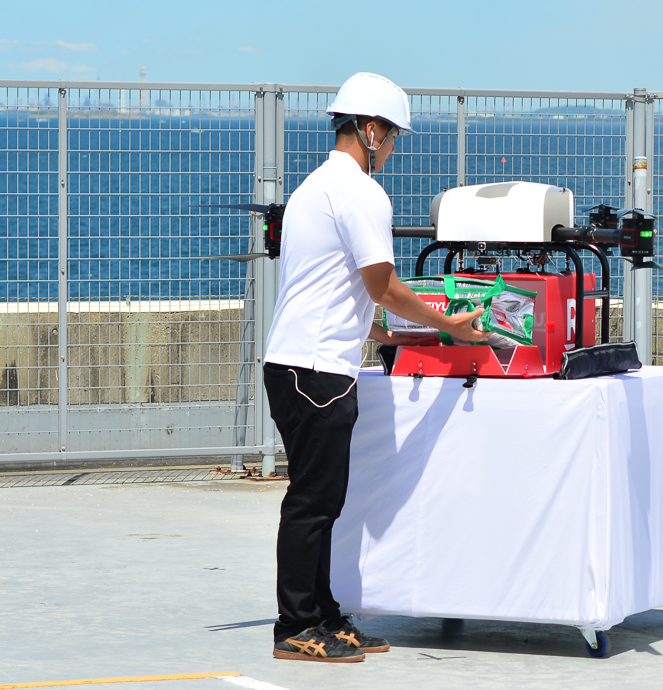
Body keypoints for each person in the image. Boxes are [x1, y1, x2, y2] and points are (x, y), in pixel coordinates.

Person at [263, 72, 487, 663]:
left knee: (323, 500)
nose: (391, 149)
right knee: (314, 502)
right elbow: (382, 285)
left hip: (296, 365)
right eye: (391, 137)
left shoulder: (313, 188)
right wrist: (447, 324)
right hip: (317, 372)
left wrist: (381, 332)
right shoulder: (361, 193)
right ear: (369, 130)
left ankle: (324, 615)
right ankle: (295, 625)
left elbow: (329, 287)